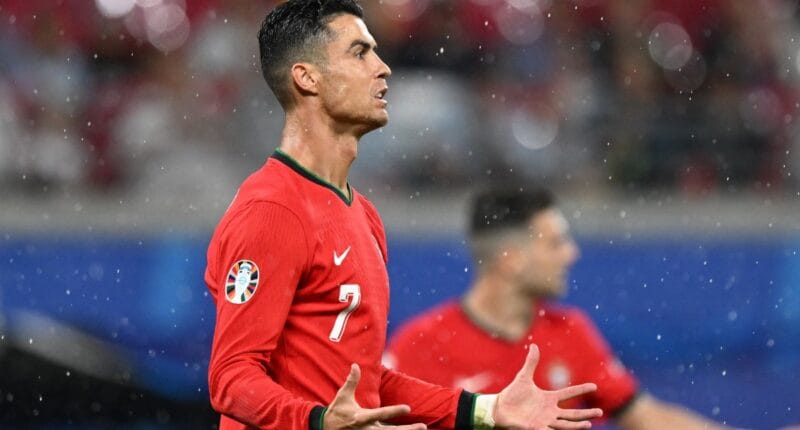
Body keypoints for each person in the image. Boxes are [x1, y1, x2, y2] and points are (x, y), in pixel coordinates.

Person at [204, 1, 604, 429]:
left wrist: (485, 410)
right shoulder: (273, 211)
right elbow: (230, 378)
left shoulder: (364, 215)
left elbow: (367, 385)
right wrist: (316, 422)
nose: (382, 67)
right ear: (307, 78)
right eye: (359, 52)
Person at [384, 186, 735, 430]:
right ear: (511, 261)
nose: (571, 254)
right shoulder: (419, 344)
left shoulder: (571, 332)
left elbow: (647, 418)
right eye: (555, 243)